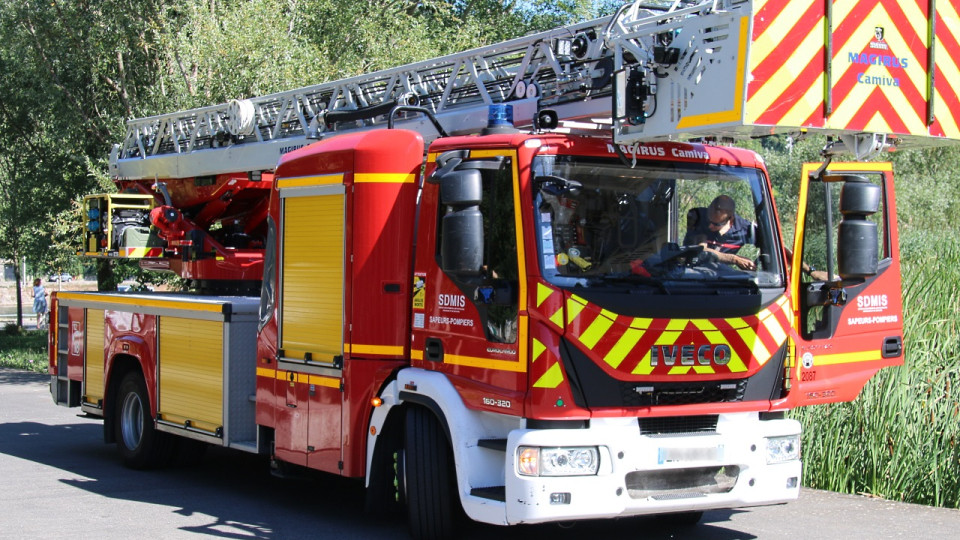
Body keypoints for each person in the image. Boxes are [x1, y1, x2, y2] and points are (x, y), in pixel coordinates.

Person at [683, 195, 756, 270]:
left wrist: (751, 265)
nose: (710, 226)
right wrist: (734, 259)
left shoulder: (744, 229)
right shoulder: (699, 218)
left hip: (721, 277)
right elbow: (702, 250)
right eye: (709, 221)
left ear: (730, 220)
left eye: (716, 224)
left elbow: (766, 248)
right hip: (690, 272)